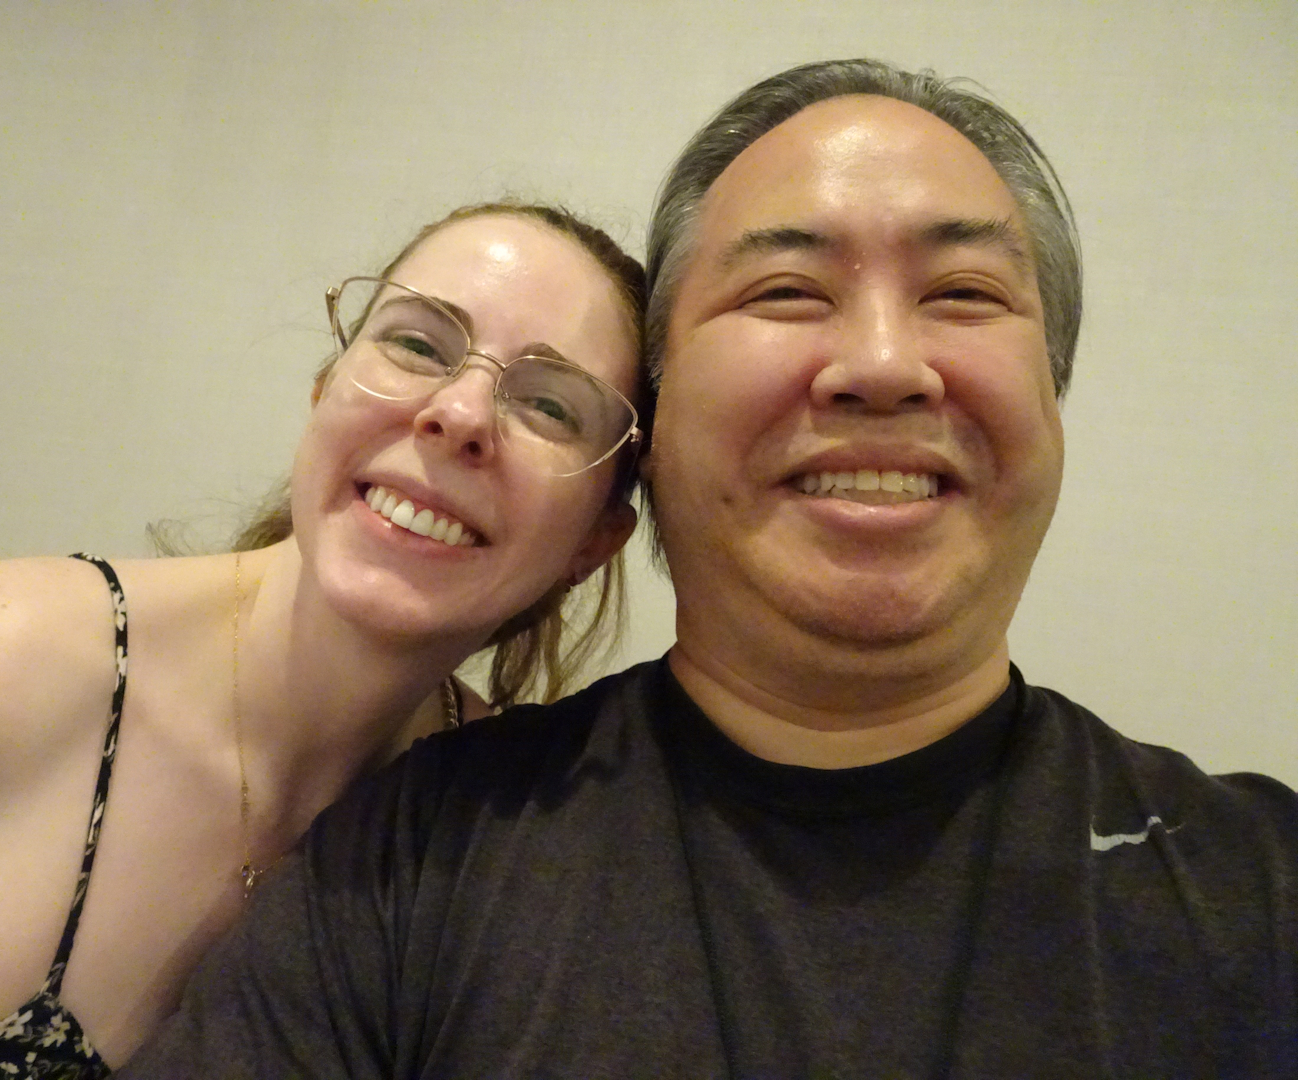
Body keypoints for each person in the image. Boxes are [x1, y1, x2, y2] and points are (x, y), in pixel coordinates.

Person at [120, 60, 1298, 1078]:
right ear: (654, 428)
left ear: (1052, 401)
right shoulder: (405, 867)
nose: (883, 364)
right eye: (787, 292)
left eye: (962, 295)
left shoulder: (1259, 889)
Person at [0, 201, 650, 1075]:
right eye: (419, 346)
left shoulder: (493, 841)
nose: (458, 412)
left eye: (549, 406)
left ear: (595, 540)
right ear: (325, 389)